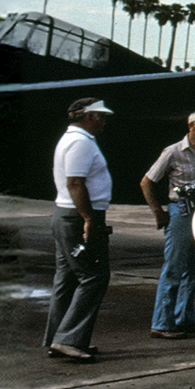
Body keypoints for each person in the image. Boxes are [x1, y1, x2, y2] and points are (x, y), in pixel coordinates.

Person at [46, 98, 114, 362]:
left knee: (67, 278)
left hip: (68, 215)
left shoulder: (75, 139)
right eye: (100, 115)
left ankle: (58, 338)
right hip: (78, 217)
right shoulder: (80, 142)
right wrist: (88, 218)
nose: (104, 120)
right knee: (94, 276)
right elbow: (75, 183)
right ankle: (69, 340)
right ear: (87, 117)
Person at [142, 110, 195, 338]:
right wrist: (158, 211)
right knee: (174, 269)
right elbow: (147, 181)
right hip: (181, 212)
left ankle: (184, 318)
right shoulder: (173, 152)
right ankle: (161, 324)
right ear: (191, 126)